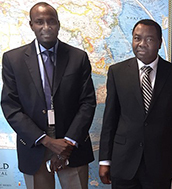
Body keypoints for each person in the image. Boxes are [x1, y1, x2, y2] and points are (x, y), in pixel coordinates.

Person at [1, 2, 96, 189]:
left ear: (58, 24)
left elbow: (87, 103)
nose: (46, 27)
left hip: (72, 146)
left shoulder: (78, 57)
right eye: (39, 22)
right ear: (31, 25)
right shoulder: (14, 60)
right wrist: (46, 140)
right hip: (34, 144)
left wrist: (67, 143)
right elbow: (10, 106)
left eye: (51, 21)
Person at [98, 19, 172, 188]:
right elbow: (110, 119)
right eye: (137, 38)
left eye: (149, 39)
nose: (141, 44)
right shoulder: (117, 72)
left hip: (160, 164)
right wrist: (105, 160)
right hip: (124, 162)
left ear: (159, 43)